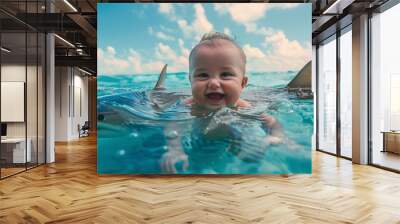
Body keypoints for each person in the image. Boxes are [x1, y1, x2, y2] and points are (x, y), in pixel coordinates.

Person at [161, 32, 284, 173]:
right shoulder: (188, 106)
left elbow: (272, 123)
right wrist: (175, 149)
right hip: (201, 141)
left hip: (232, 137)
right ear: (191, 80)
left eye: (225, 74)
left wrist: (272, 138)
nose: (213, 82)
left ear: (242, 83)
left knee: (251, 156)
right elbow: (172, 126)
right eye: (203, 75)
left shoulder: (242, 107)